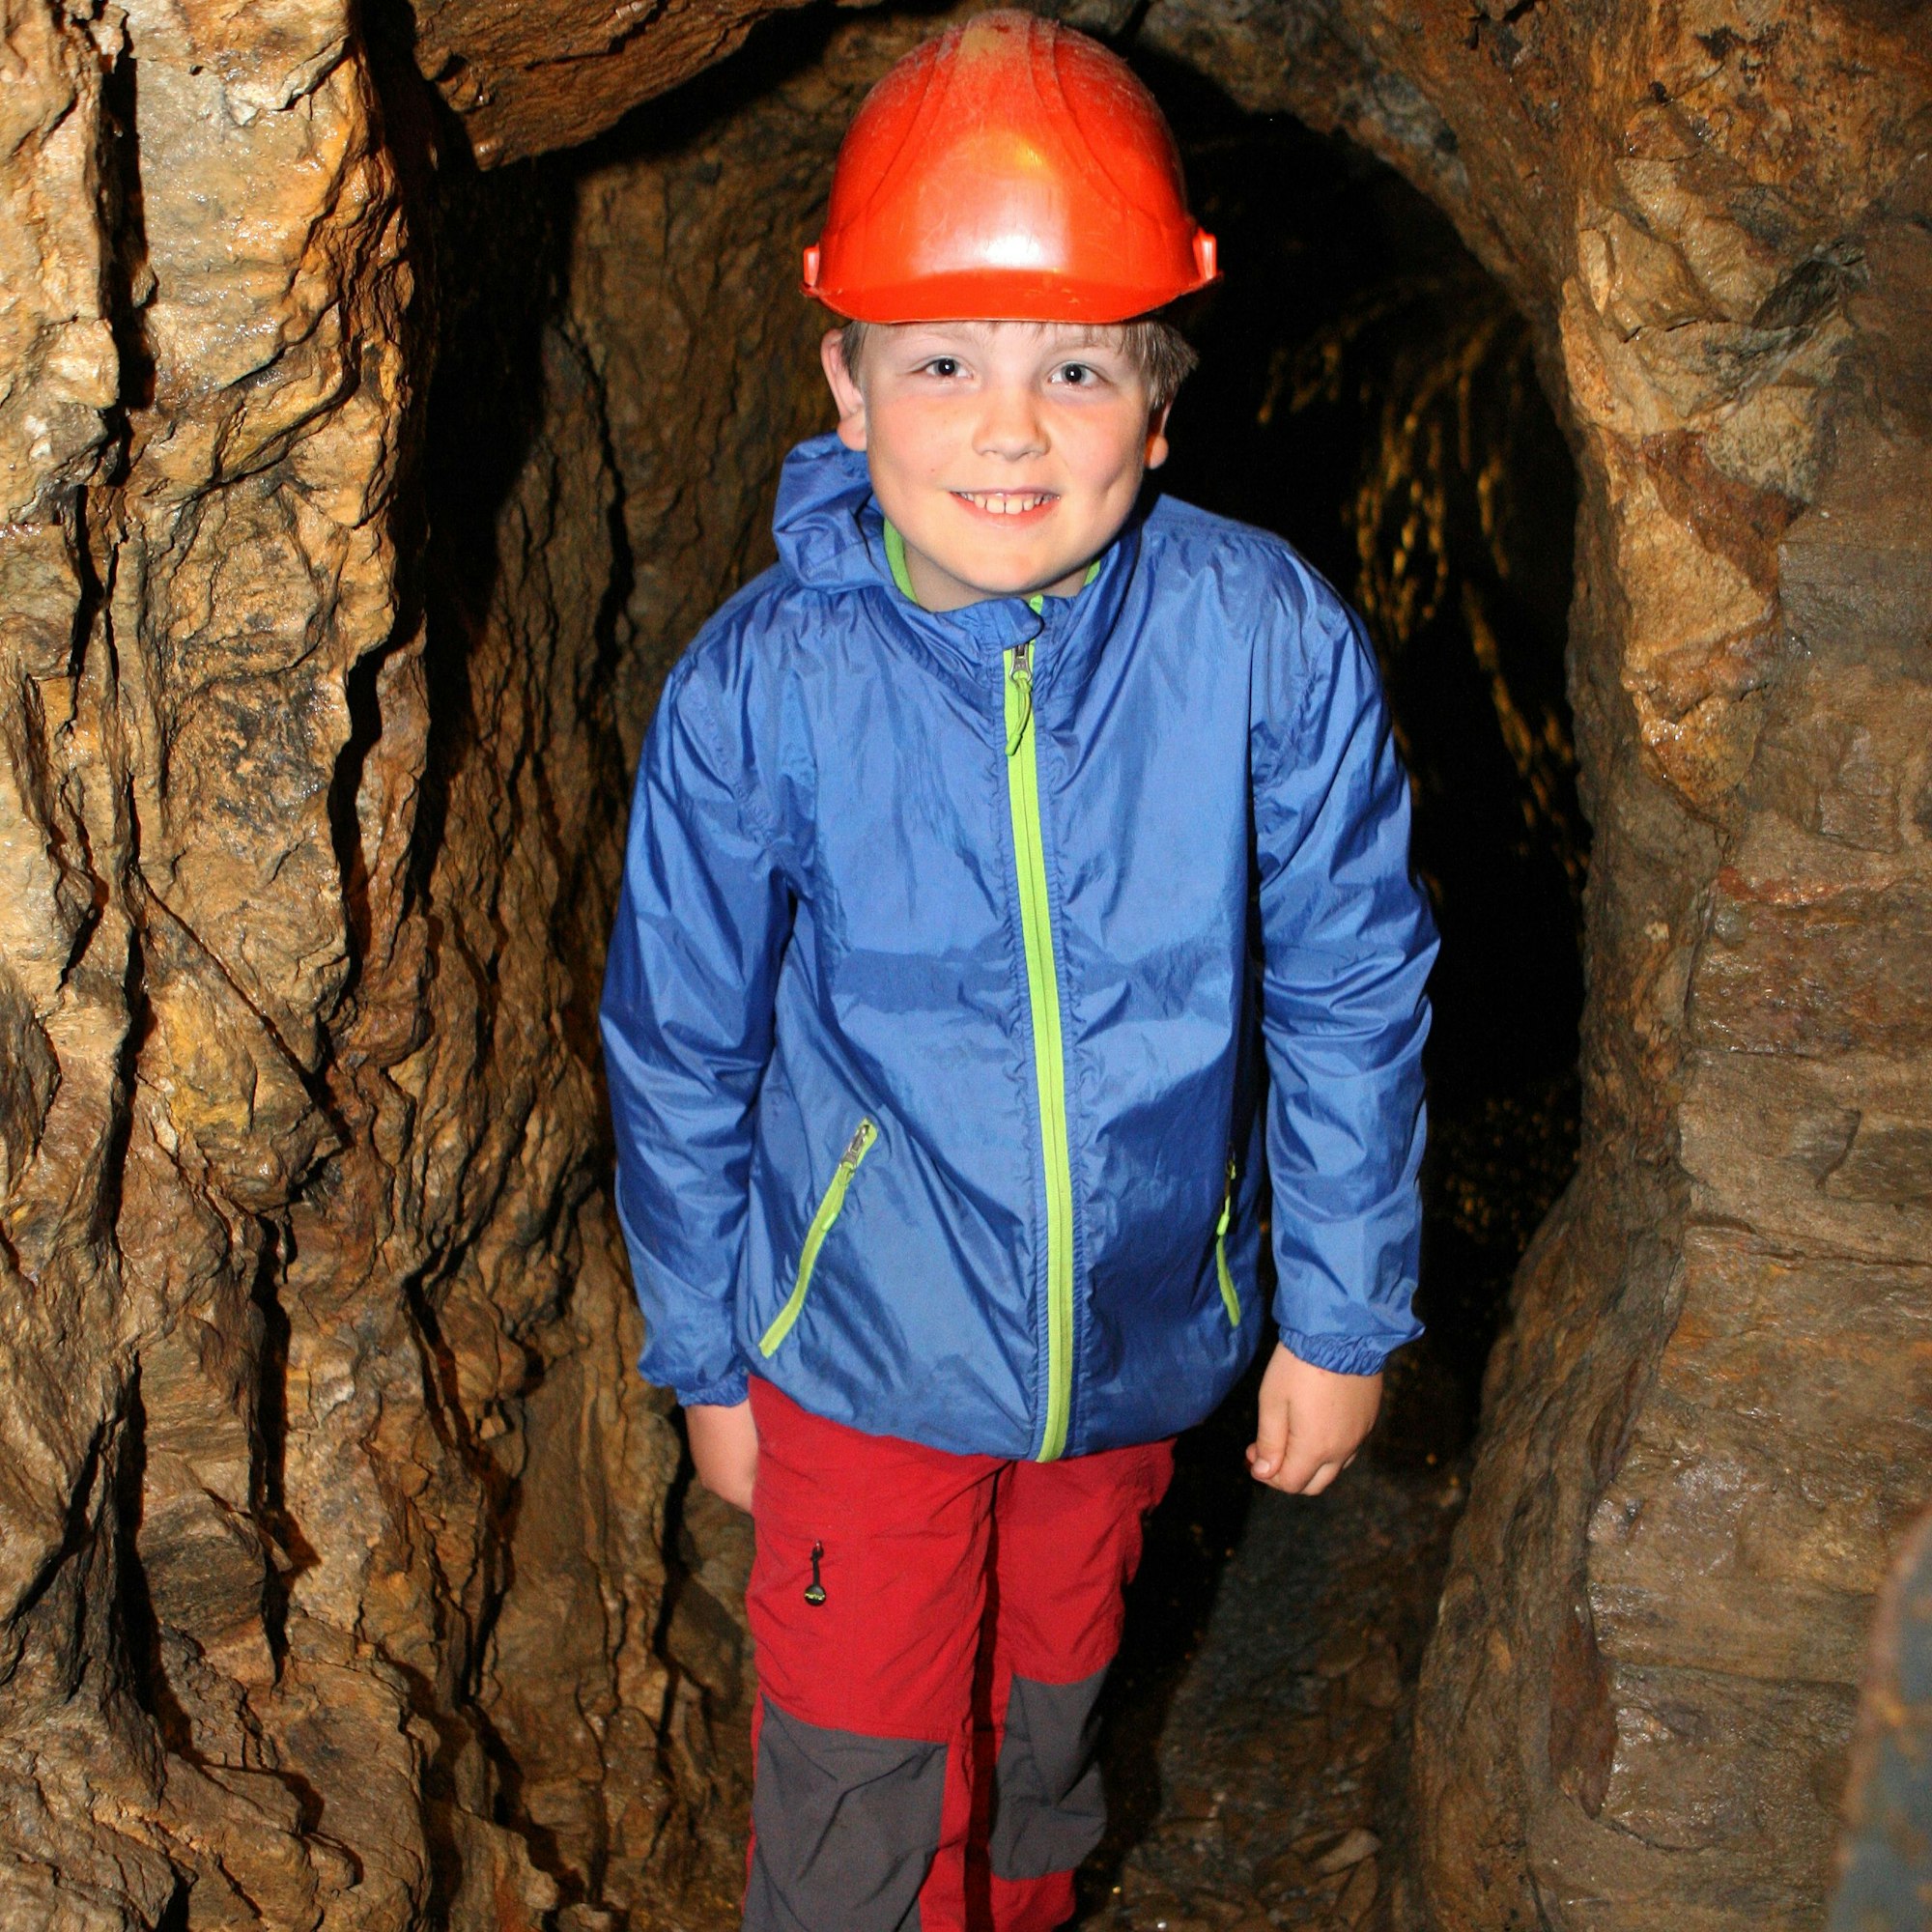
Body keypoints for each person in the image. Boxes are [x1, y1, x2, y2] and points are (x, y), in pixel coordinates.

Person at [600, 13, 1436, 1928]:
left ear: (1157, 397)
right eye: (944, 360)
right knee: (862, 1790)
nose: (1005, 427)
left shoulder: (1262, 638)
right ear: (846, 380)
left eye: (1073, 367)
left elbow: (1349, 982)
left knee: (1046, 1732)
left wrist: (1340, 1313)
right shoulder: (763, 685)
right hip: (857, 1359)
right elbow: (677, 1043)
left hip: (1133, 1345)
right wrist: (703, 1350)